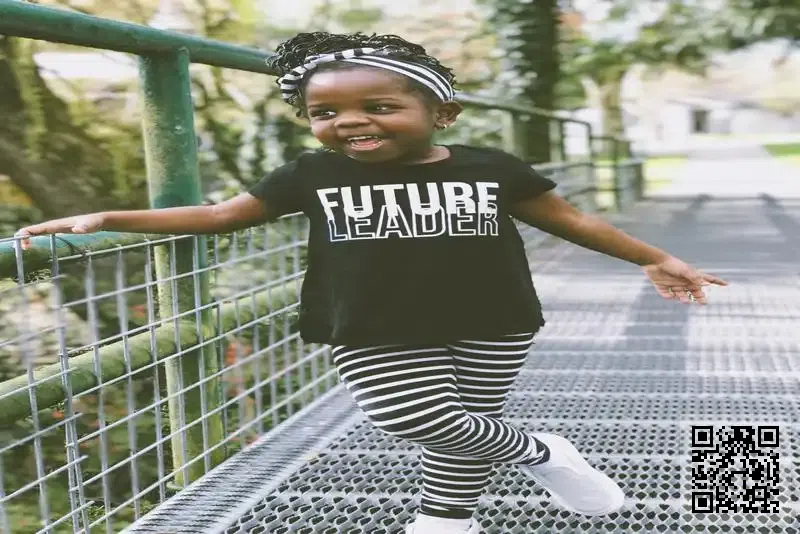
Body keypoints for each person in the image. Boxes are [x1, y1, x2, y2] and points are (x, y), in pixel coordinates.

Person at [16, 32, 727, 534]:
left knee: (463, 428)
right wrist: (109, 215)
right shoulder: (310, 173)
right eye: (325, 113)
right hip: (371, 321)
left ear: (441, 114)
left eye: (380, 107)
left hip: (494, 315)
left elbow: (571, 220)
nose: (350, 121)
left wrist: (652, 258)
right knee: (409, 417)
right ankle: (542, 452)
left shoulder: (489, 167)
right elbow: (219, 216)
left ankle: (445, 520)